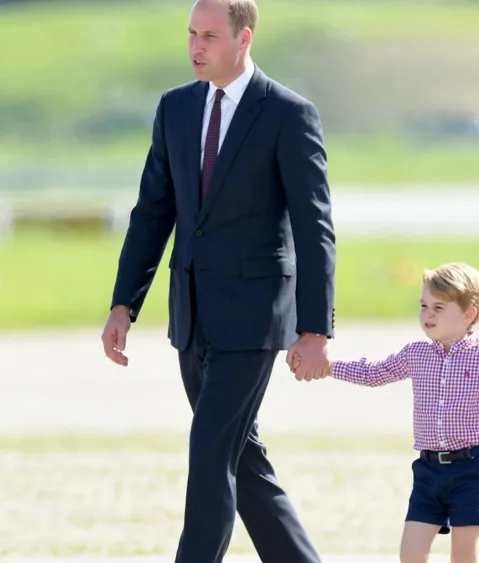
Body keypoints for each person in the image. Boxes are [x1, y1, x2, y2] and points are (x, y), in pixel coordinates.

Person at [99, 1, 334, 561]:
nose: (195, 47)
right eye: (190, 35)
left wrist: (314, 329)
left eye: (208, 36)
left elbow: (314, 225)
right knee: (241, 463)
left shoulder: (287, 114)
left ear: (244, 38)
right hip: (193, 314)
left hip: (254, 319)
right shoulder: (175, 108)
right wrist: (123, 304)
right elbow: (153, 212)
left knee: (208, 454)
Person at [295, 262, 479, 563]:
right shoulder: (416, 353)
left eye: (439, 307)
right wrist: (329, 367)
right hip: (428, 470)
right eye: (424, 305)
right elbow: (374, 373)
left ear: (469, 314)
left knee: (462, 555)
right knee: (411, 554)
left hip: (470, 469)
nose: (428, 314)